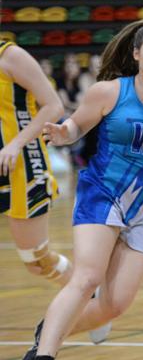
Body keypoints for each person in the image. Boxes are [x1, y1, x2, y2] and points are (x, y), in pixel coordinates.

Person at [23, 15, 143, 360]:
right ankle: (44, 354)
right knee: (87, 278)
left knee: (115, 305)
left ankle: (50, 327)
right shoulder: (110, 91)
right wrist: (61, 133)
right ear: (137, 53)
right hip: (103, 194)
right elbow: (76, 127)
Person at [0, 41, 72, 286]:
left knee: (37, 261)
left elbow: (54, 106)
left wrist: (15, 143)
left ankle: (90, 296)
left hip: (21, 160)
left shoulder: (11, 56)